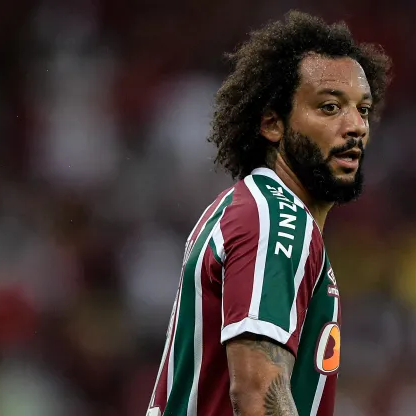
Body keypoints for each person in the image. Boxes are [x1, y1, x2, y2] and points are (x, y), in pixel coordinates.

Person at [147, 10, 392, 416]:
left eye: (362, 110)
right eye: (330, 107)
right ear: (272, 124)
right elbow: (259, 396)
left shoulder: (247, 209)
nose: (356, 127)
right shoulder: (276, 219)